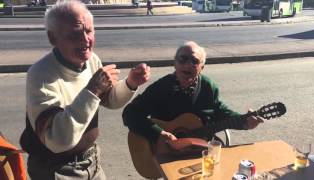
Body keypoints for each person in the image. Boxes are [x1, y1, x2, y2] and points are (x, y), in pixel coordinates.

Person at [19, 1, 150, 179]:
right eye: (74, 35)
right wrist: (92, 90)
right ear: (53, 38)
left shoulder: (91, 60)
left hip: (91, 160)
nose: (85, 40)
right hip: (56, 169)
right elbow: (57, 139)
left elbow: (109, 99)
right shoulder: (41, 74)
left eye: (89, 31)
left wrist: (130, 83)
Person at [122, 41, 264, 149]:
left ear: (202, 67)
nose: (188, 64)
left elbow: (220, 112)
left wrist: (244, 122)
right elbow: (130, 113)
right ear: (175, 63)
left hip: (198, 149)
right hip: (164, 151)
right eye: (183, 59)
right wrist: (158, 134)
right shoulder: (161, 87)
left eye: (194, 61)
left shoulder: (209, 86)